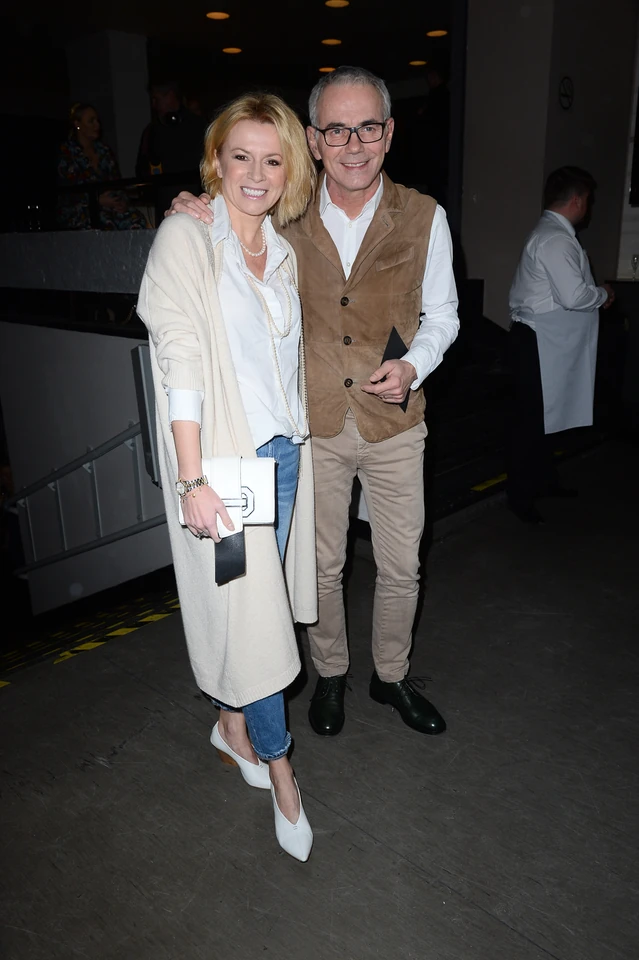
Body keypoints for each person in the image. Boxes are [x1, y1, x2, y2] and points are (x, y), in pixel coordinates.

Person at [167, 66, 459, 739]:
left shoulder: (425, 216)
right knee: (321, 565)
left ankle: (390, 675)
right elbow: (228, 215)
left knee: (401, 564)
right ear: (314, 139)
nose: (353, 144)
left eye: (367, 128)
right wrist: (194, 205)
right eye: (337, 129)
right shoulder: (282, 210)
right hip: (312, 425)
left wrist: (414, 364)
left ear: (389, 134)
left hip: (394, 424)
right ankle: (330, 673)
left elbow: (443, 314)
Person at [137, 93, 318, 862]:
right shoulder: (187, 237)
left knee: (254, 613)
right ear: (215, 159)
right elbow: (179, 358)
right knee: (255, 627)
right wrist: (191, 480)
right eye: (240, 156)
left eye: (272, 160)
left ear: (290, 170)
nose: (255, 173)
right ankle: (281, 771)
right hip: (225, 469)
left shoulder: (280, 250)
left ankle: (230, 724)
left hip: (283, 458)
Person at [507, 166, 615, 524]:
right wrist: (603, 294)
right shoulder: (555, 239)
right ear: (577, 200)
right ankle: (521, 496)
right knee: (531, 422)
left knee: (544, 418)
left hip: (544, 342)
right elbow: (573, 296)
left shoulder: (553, 234)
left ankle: (543, 481)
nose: (589, 206)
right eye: (588, 200)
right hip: (537, 342)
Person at [57, 103, 149, 230]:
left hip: (109, 208)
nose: (97, 125)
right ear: (78, 124)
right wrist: (96, 200)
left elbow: (117, 183)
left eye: (97, 120)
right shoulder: (67, 152)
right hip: (80, 211)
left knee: (136, 219)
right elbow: (67, 192)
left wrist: (121, 201)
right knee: (105, 223)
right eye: (91, 121)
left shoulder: (104, 151)